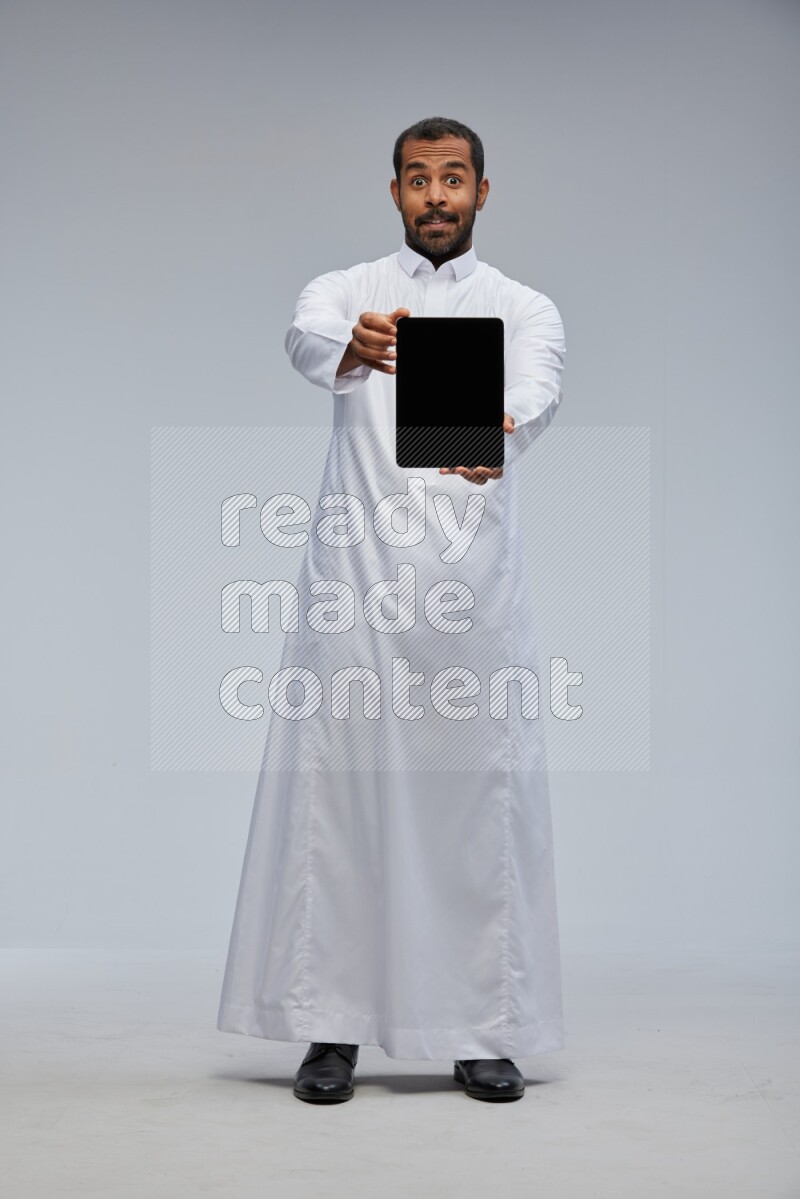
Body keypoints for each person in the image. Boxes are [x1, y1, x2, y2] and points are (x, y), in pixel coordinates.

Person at [216, 116, 567, 1104]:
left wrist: (500, 426)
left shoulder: (520, 306)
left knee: (472, 816)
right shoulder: (347, 291)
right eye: (418, 179)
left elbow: (534, 389)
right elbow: (303, 335)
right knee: (341, 809)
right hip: (357, 595)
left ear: (482, 192)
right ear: (394, 191)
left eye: (453, 178)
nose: (436, 196)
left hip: (470, 602)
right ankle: (329, 1029)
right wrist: (351, 343)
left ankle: (479, 1027)